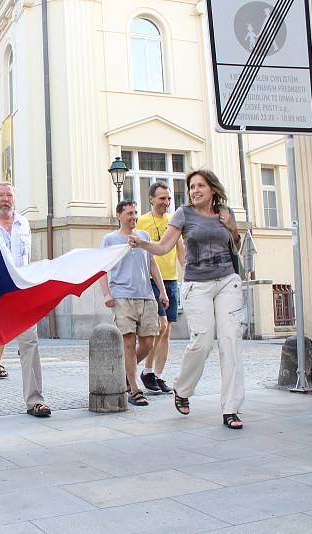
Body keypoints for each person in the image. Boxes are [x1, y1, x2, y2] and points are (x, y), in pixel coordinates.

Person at [129, 169, 245, 429]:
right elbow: (163, 247)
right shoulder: (184, 214)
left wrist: (231, 227)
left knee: (230, 342)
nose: (195, 191)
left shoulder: (225, 213)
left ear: (212, 189)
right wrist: (141, 244)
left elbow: (235, 246)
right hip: (198, 284)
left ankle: (231, 408)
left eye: (200, 186)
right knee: (202, 342)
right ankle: (182, 389)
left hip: (227, 281)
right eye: (192, 187)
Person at [0, 183, 51, 417]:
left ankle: (35, 400)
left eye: (9, 195)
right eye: (1, 195)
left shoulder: (24, 223)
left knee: (30, 343)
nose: (5, 199)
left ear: (14, 199)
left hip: (22, 292)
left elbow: (27, 258)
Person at [98, 200, 166, 407]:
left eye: (135, 212)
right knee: (128, 342)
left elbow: (152, 264)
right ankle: (134, 388)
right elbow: (102, 269)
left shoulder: (143, 237)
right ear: (119, 215)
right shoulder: (109, 239)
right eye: (129, 213)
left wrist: (162, 290)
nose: (133, 216)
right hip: (122, 296)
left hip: (146, 296)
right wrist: (106, 294)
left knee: (148, 342)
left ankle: (125, 374)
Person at [136, 183, 186, 394]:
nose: (166, 202)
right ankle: (145, 370)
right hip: (151, 280)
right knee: (161, 325)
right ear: (151, 199)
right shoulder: (142, 221)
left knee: (167, 331)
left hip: (171, 279)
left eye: (168, 198)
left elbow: (180, 249)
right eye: (162, 198)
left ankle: (156, 375)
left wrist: (188, 274)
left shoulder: (173, 220)